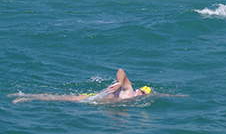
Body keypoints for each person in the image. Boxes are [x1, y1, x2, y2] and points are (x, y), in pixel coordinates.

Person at [10, 69, 151, 104]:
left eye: (144, 94)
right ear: (140, 90)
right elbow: (121, 71)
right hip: (91, 98)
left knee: (60, 99)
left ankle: (25, 96)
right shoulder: (129, 92)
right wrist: (120, 83)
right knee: (58, 99)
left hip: (95, 102)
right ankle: (24, 97)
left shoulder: (131, 101)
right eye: (143, 92)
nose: (142, 94)